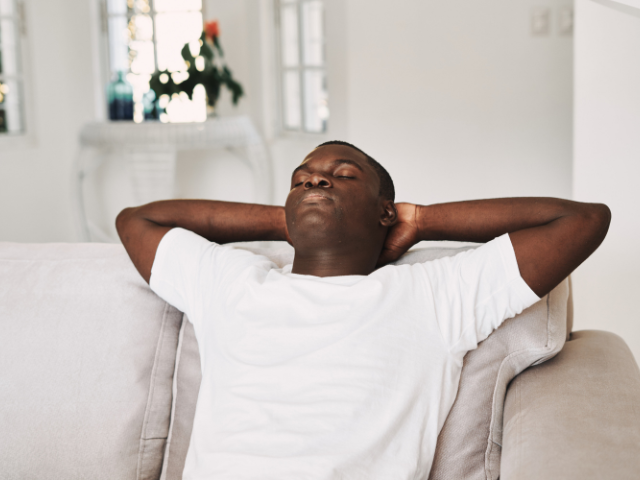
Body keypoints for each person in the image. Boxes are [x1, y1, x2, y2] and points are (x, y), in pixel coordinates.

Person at [116, 140, 610, 480]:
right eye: (301, 180)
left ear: (384, 211)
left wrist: (422, 220)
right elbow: (137, 219)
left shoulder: (433, 294)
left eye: (341, 176)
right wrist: (288, 219)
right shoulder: (231, 283)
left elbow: (583, 219)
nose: (316, 182)